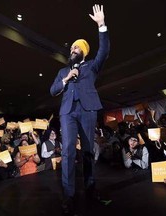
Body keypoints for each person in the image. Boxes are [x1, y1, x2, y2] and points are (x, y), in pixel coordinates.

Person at [50, 4, 110, 215]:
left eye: (76, 48)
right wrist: (66, 79)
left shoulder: (92, 66)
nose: (72, 50)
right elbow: (53, 90)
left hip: (87, 111)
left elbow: (104, 51)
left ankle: (90, 188)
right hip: (67, 113)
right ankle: (69, 195)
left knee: (86, 151)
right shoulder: (63, 71)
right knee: (67, 151)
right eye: (71, 48)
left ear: (83, 51)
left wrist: (101, 25)